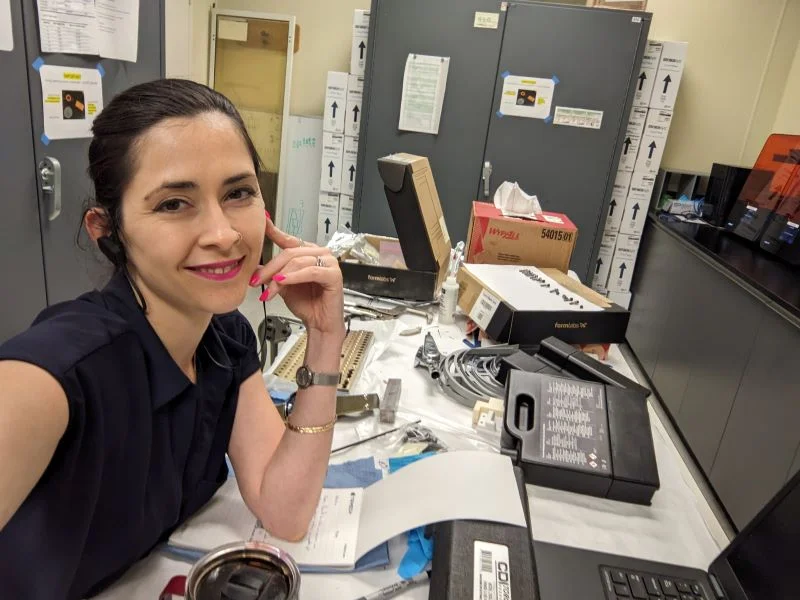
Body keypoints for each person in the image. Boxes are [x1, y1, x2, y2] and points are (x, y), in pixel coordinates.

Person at [0, 79, 345, 599]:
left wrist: (324, 336)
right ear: (107, 229)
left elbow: (285, 511)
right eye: (173, 204)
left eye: (238, 193)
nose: (223, 234)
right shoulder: (58, 374)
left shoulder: (224, 338)